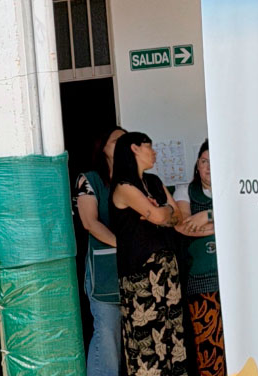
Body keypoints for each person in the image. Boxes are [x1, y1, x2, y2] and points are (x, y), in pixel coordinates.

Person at [110, 132, 188, 376]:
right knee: (147, 346)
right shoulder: (124, 186)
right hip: (141, 276)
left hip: (167, 270)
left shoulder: (153, 181)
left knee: (173, 339)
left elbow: (177, 217)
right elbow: (159, 216)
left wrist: (160, 212)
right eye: (149, 146)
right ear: (134, 148)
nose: (154, 152)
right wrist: (160, 214)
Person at [75, 126, 125, 376]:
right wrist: (123, 244)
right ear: (102, 147)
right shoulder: (89, 179)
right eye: (117, 141)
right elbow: (89, 223)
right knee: (107, 335)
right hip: (104, 272)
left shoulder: (137, 182)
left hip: (135, 270)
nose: (124, 144)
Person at [175, 140, 224, 376]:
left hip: (234, 280)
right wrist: (222, 226)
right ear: (197, 164)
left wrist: (206, 215)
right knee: (208, 348)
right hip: (202, 280)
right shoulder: (185, 190)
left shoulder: (231, 189)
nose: (209, 167)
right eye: (204, 161)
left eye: (213, 161)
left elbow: (243, 217)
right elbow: (184, 226)